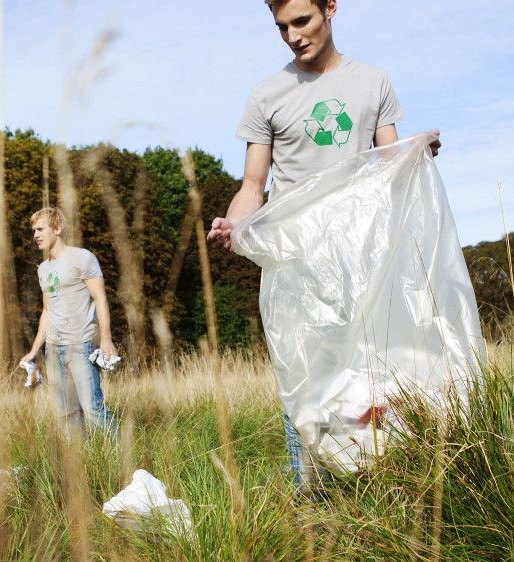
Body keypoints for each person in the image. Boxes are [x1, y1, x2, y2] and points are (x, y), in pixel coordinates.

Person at [206, 0, 442, 490]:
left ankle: (384, 493)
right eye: (282, 27)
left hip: (363, 259)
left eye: (303, 21)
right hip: (297, 265)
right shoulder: (267, 94)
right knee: (306, 383)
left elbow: (386, 161)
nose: (293, 35)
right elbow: (253, 186)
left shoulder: (372, 81)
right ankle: (314, 510)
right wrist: (233, 225)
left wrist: (416, 152)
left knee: (374, 378)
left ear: (331, 8)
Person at [21, 207, 119, 437]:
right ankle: (82, 467)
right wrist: (34, 351)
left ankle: (128, 461)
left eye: (40, 229)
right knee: (67, 415)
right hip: (53, 351)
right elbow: (47, 311)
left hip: (80, 345)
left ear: (57, 228)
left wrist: (106, 339)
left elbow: (100, 298)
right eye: (33, 230)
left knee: (93, 410)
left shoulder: (82, 258)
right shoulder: (43, 269)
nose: (35, 234)